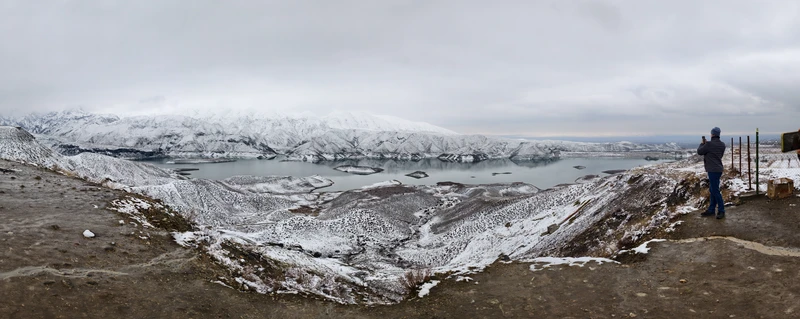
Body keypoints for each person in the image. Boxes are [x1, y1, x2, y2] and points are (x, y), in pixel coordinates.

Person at [697, 127, 726, 219]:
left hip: (712, 170)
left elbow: (700, 151)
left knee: (715, 190)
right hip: (718, 169)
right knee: (713, 189)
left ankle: (721, 210)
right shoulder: (722, 145)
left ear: (712, 134)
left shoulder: (708, 144)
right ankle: (711, 209)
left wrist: (702, 144)